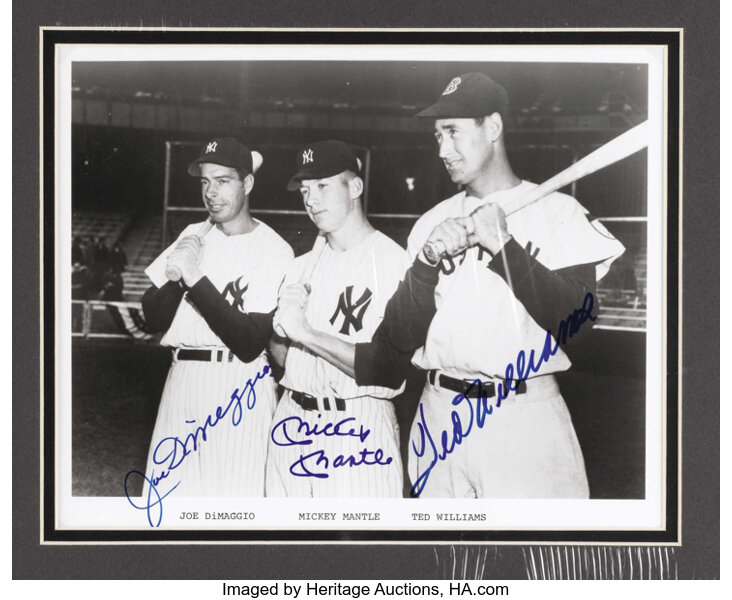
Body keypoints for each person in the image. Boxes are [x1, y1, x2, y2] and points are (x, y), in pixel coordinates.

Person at [279, 73, 625, 499]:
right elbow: (397, 340)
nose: (442, 149)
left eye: (453, 132)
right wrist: (426, 263)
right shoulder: (431, 223)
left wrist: (504, 247)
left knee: (532, 560)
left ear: (493, 128)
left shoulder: (559, 212)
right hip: (438, 413)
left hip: (522, 415)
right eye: (437, 136)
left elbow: (579, 323)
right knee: (438, 561)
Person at [139, 137, 293, 498]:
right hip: (182, 379)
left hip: (240, 386)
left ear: (248, 184)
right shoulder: (192, 233)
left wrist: (193, 276)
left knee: (236, 506)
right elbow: (152, 316)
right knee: (169, 504)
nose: (211, 192)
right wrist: (178, 277)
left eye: (223, 181)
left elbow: (249, 341)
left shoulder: (273, 249)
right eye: (205, 182)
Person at [267, 140, 410, 497]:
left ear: (356, 187)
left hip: (357, 425)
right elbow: (283, 360)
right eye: (304, 190)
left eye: (322, 186)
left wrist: (306, 333)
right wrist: (280, 331)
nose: (310, 200)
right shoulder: (299, 268)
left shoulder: (394, 263)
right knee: (284, 549)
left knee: (355, 551)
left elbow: (387, 367)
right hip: (292, 417)